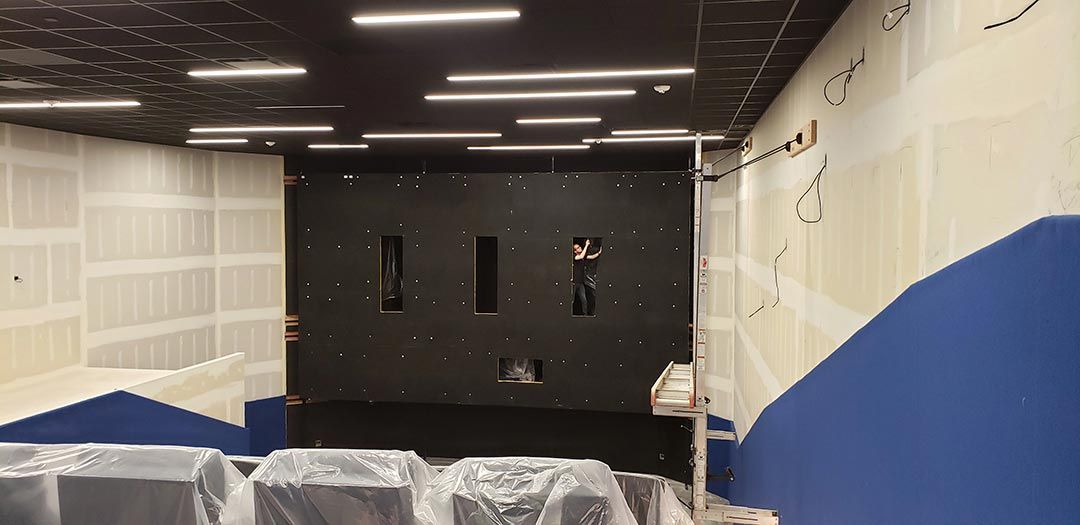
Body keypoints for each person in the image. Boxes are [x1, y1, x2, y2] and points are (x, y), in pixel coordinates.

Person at [583, 239, 602, 315]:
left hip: (590, 277)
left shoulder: (591, 250)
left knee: (592, 298)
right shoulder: (584, 255)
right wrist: (599, 253)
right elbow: (590, 257)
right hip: (588, 278)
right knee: (591, 298)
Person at [572, 239, 590, 315]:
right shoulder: (574, 257)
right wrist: (586, 245)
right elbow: (581, 255)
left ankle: (585, 315)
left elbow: (591, 257)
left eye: (579, 246)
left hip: (580, 283)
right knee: (571, 300)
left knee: (584, 300)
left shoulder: (582, 257)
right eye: (577, 248)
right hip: (574, 283)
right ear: (575, 251)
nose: (579, 248)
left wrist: (599, 252)